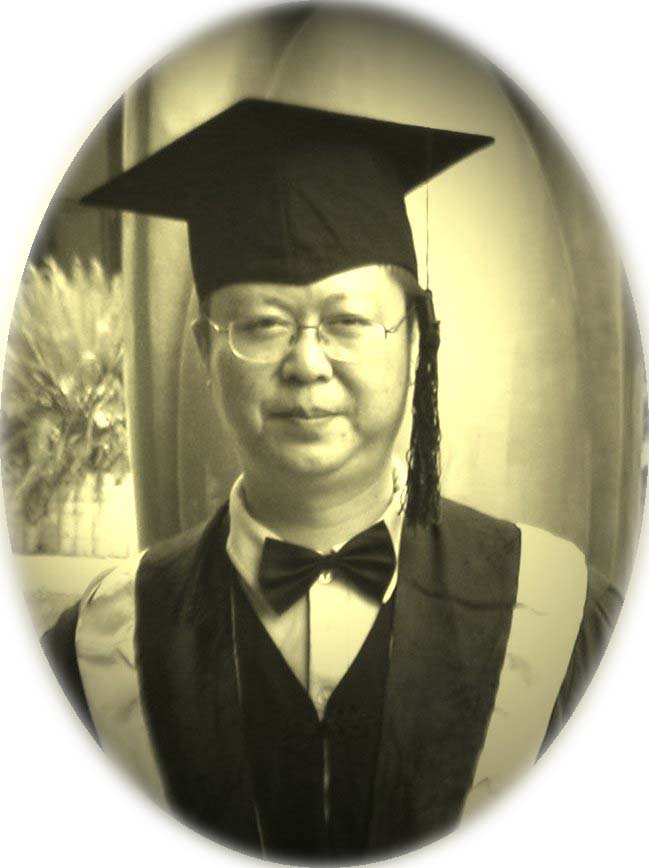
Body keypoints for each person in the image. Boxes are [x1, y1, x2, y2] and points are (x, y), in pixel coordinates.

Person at [42, 98, 622, 861]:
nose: (306, 364)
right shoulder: (102, 647)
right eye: (261, 325)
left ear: (415, 343)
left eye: (348, 322)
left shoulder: (557, 617)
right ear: (206, 353)